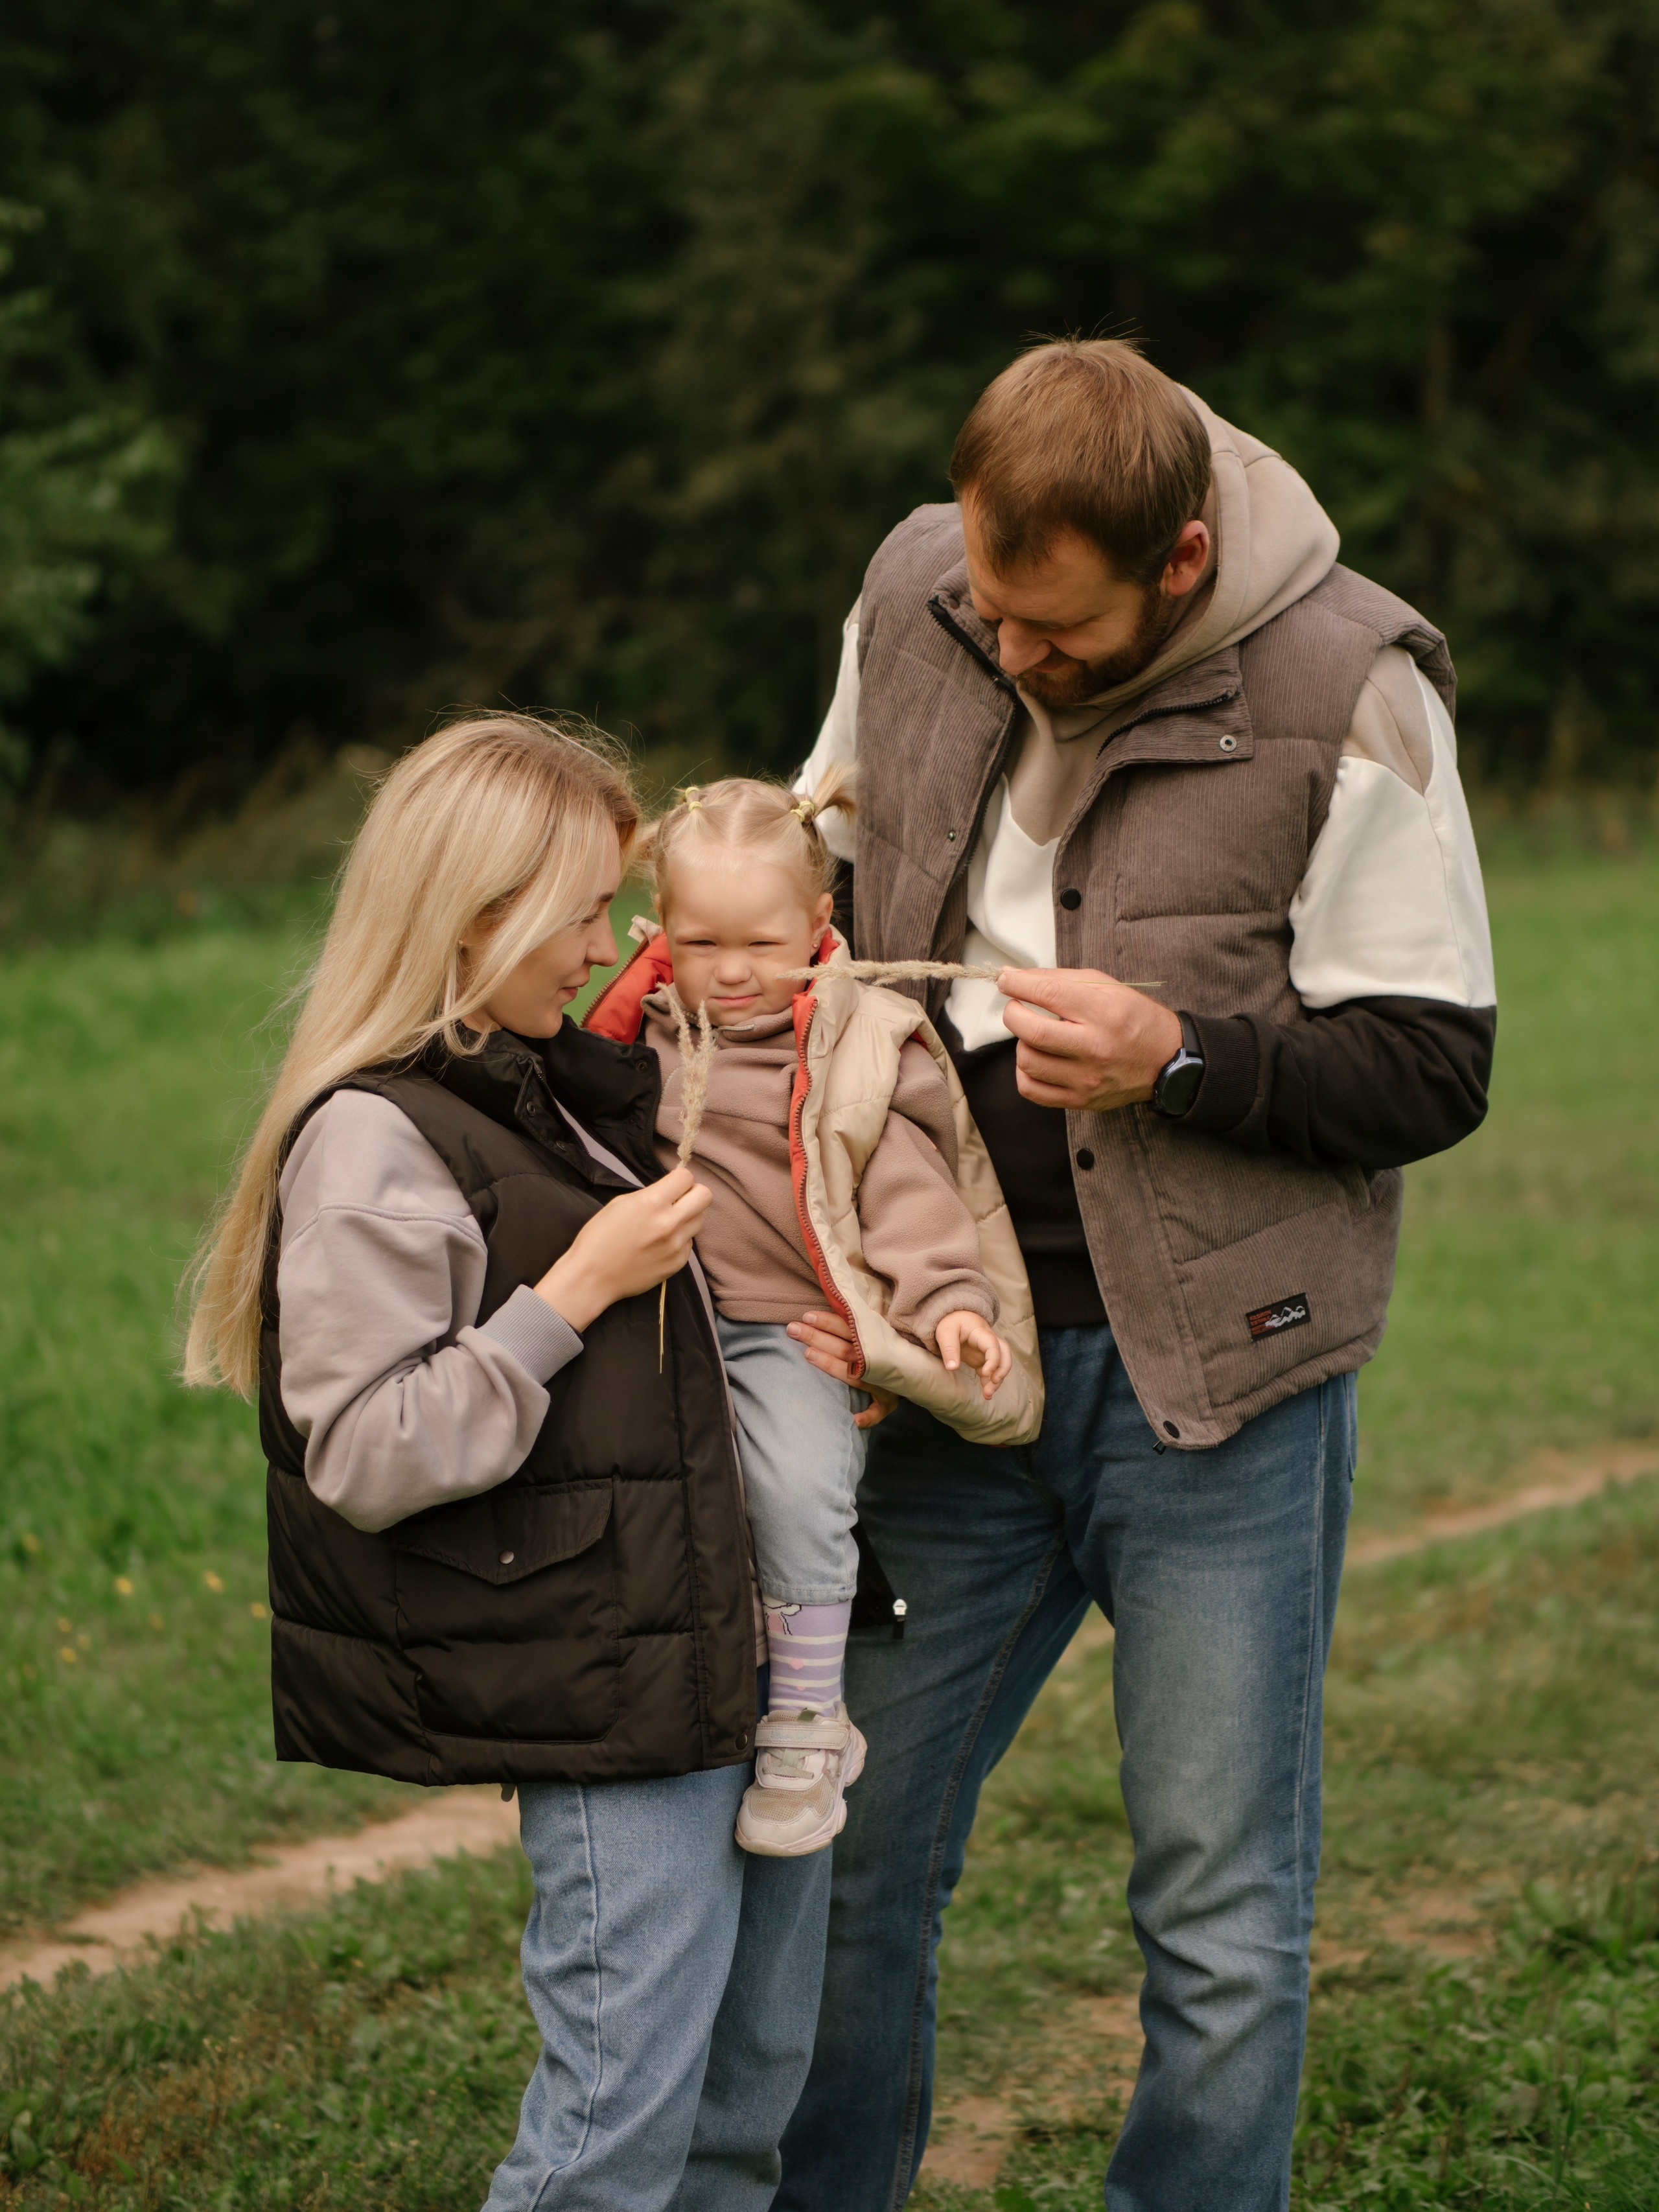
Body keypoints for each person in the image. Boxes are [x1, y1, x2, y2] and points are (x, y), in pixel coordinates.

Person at [778, 340, 1496, 2211]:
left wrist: (1181, 1051)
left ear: (1179, 560)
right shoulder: (919, 592)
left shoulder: (1355, 686)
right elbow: (825, 871)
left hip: (1219, 1387)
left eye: (1056, 628)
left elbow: (1435, 1066)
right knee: (842, 1851)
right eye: (989, 611)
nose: (1008, 654)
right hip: (947, 1364)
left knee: (1221, 1907)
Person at [185, 712, 831, 2212]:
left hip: (713, 1649)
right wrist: (574, 1293)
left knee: (737, 2118)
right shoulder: (375, 1138)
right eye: (583, 912)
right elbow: (366, 1449)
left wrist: (821, 1355)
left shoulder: (543, 1082)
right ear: (475, 914)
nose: (609, 948)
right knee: (613, 2138)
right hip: (599, 1682)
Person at [582, 769, 1037, 1858]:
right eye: (700, 945)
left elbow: (911, 1195)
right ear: (661, 934)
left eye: (760, 943)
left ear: (820, 923)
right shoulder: (629, 1035)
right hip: (656, 1324)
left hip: (783, 1327)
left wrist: (949, 1308)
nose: (730, 973)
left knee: (796, 1489)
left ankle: (808, 1718)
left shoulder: (853, 1045)